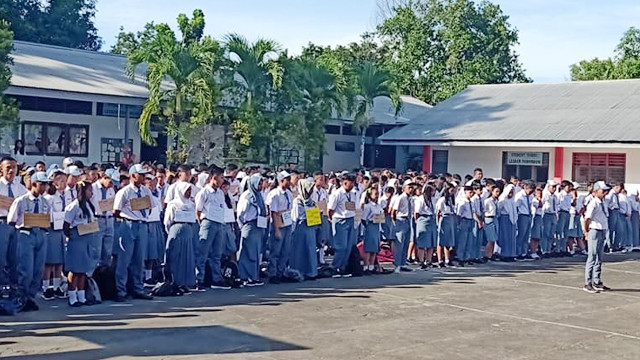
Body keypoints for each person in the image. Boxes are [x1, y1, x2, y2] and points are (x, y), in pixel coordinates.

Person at [8, 171, 52, 311]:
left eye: (46, 184)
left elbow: (48, 218)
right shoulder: (21, 200)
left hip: (41, 233)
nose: (44, 187)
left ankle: (31, 297)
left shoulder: (45, 201)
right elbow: (11, 220)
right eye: (42, 184)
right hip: (26, 234)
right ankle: (22, 297)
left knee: (38, 269)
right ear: (33, 184)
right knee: (26, 269)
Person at [113, 164, 155, 302]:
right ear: (133, 176)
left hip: (142, 224)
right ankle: (121, 290)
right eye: (140, 174)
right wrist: (127, 218)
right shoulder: (124, 192)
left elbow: (151, 205)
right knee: (124, 259)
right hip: (128, 224)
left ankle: (138, 288)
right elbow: (116, 211)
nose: (143, 177)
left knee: (139, 259)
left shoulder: (146, 191)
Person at [63, 181, 99, 307]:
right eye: (89, 190)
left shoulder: (89, 205)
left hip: (87, 237)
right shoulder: (74, 206)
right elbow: (66, 225)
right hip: (77, 238)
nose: (91, 193)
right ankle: (72, 297)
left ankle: (82, 296)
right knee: (75, 269)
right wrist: (71, 236)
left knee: (83, 269)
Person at [194, 166, 230, 290]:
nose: (222, 180)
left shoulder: (220, 192)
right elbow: (198, 211)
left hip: (219, 223)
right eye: (221, 177)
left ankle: (216, 278)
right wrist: (203, 224)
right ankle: (199, 278)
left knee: (217, 253)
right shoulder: (204, 192)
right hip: (208, 222)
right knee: (202, 253)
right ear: (214, 178)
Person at [163, 182, 197, 290]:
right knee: (175, 257)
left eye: (190, 191)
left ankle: (185, 282)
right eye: (187, 190)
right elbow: (168, 221)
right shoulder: (173, 204)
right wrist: (171, 231)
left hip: (188, 232)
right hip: (176, 230)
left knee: (187, 257)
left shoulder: (191, 204)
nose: (189, 193)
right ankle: (174, 281)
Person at [0, 157, 27, 285]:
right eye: (8, 167)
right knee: (1, 259)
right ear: (1, 169)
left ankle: (13, 289)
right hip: (2, 223)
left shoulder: (20, 188)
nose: (11, 170)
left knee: (15, 258)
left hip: (16, 226)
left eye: (14, 167)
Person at [41, 168, 67, 301]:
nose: (64, 183)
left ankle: (57, 287)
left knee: (59, 261)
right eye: (61, 181)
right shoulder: (48, 197)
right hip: (51, 229)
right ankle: (46, 288)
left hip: (61, 229)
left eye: (65, 180)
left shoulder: (65, 196)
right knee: (49, 262)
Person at [237, 174, 267, 286]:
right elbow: (241, 213)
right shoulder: (247, 196)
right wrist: (243, 225)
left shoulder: (259, 195)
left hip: (259, 225)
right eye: (258, 183)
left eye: (261, 183)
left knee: (256, 252)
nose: (260, 185)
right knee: (247, 252)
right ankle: (245, 276)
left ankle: (254, 276)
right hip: (249, 225)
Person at [583, 181, 612, 293]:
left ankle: (597, 281)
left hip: (602, 229)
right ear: (595, 191)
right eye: (603, 191)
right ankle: (587, 282)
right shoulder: (593, 203)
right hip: (594, 230)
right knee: (592, 256)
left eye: (606, 191)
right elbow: (587, 218)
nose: (605, 193)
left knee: (599, 256)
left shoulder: (603, 202)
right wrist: (586, 231)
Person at [327, 173, 358, 277]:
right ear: (344, 183)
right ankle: (335, 267)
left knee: (349, 246)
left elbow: (355, 207)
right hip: (340, 220)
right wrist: (333, 221)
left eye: (353, 182)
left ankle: (343, 267)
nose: (352, 184)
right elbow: (330, 210)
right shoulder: (337, 193)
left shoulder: (353, 193)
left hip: (350, 219)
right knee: (341, 247)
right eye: (351, 182)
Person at [267, 171, 294, 283]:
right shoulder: (274, 194)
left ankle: (281, 272)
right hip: (278, 224)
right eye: (287, 180)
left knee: (285, 250)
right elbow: (273, 213)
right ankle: (273, 273)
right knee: (275, 251)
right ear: (281, 181)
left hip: (287, 223)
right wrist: (276, 229)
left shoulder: (289, 193)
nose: (289, 182)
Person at [290, 179, 319, 280]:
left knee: (310, 249)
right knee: (299, 250)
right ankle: (299, 271)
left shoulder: (311, 201)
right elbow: (294, 217)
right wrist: (292, 231)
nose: (310, 191)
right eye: (308, 189)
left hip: (310, 227)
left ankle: (311, 272)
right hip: (300, 228)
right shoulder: (297, 201)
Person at [90, 168, 118, 268]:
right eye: (111, 181)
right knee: (96, 250)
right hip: (97, 219)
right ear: (105, 177)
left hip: (109, 219)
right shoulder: (93, 188)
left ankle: (104, 273)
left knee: (107, 250)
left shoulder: (111, 189)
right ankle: (92, 274)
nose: (112, 185)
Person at [391, 180, 415, 273]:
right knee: (399, 243)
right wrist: (395, 222)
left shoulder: (411, 199)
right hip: (401, 219)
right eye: (409, 187)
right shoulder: (400, 198)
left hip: (408, 220)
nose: (411, 189)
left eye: (412, 187)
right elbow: (393, 211)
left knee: (406, 243)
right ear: (404, 188)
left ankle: (403, 263)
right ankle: (397, 264)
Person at [414, 184, 437, 269]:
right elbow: (417, 212)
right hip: (423, 218)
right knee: (422, 241)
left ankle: (429, 260)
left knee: (431, 241)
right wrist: (417, 221)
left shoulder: (433, 200)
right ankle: (421, 260)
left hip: (431, 219)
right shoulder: (420, 199)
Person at [362, 186, 383, 273]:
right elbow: (363, 218)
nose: (377, 196)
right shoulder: (368, 206)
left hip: (377, 226)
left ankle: (371, 266)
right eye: (375, 194)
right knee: (368, 247)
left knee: (374, 247)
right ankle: (366, 265)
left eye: (378, 194)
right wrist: (367, 226)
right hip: (370, 225)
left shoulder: (378, 206)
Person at [436, 183, 456, 267]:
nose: (453, 191)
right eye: (451, 190)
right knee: (441, 240)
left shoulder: (451, 199)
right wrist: (437, 224)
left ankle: (447, 259)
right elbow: (438, 212)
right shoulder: (442, 199)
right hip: (444, 218)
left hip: (450, 217)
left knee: (448, 240)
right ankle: (440, 259)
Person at [455, 185, 475, 266]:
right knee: (462, 240)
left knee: (469, 240)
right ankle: (460, 258)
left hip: (470, 220)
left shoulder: (471, 202)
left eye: (472, 192)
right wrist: (459, 223)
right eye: (470, 192)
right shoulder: (462, 202)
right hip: (464, 220)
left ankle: (467, 257)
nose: (471, 194)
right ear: (465, 192)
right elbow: (459, 214)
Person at [514, 181, 534, 259]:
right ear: (525, 187)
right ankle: (518, 252)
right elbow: (516, 206)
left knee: (527, 235)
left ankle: (524, 252)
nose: (531, 190)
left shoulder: (530, 196)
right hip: (522, 215)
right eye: (530, 188)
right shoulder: (520, 195)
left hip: (528, 215)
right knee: (521, 234)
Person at [497, 184, 517, 261]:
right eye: (509, 193)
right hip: (504, 218)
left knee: (511, 237)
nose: (510, 194)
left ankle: (511, 254)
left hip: (512, 219)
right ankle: (504, 254)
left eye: (512, 193)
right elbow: (499, 209)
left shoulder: (512, 201)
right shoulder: (502, 199)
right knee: (505, 237)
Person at [541, 181, 559, 256]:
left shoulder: (555, 196)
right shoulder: (545, 195)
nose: (554, 188)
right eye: (552, 187)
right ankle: (544, 249)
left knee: (552, 233)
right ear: (548, 187)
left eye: (555, 187)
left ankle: (549, 249)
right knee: (546, 232)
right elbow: (542, 203)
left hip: (553, 214)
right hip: (547, 214)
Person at [483, 186, 501, 260]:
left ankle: (491, 254)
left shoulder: (496, 201)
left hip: (495, 218)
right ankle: (487, 254)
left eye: (498, 192)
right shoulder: (487, 201)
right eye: (496, 191)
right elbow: (484, 211)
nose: (497, 193)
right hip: (489, 218)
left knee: (494, 238)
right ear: (492, 191)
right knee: (491, 238)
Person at [529, 186, 544, 259]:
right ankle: (532, 251)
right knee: (534, 235)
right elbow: (537, 207)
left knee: (538, 236)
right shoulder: (534, 200)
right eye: (538, 193)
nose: (540, 194)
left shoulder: (541, 200)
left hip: (540, 217)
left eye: (540, 193)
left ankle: (535, 250)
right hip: (535, 217)